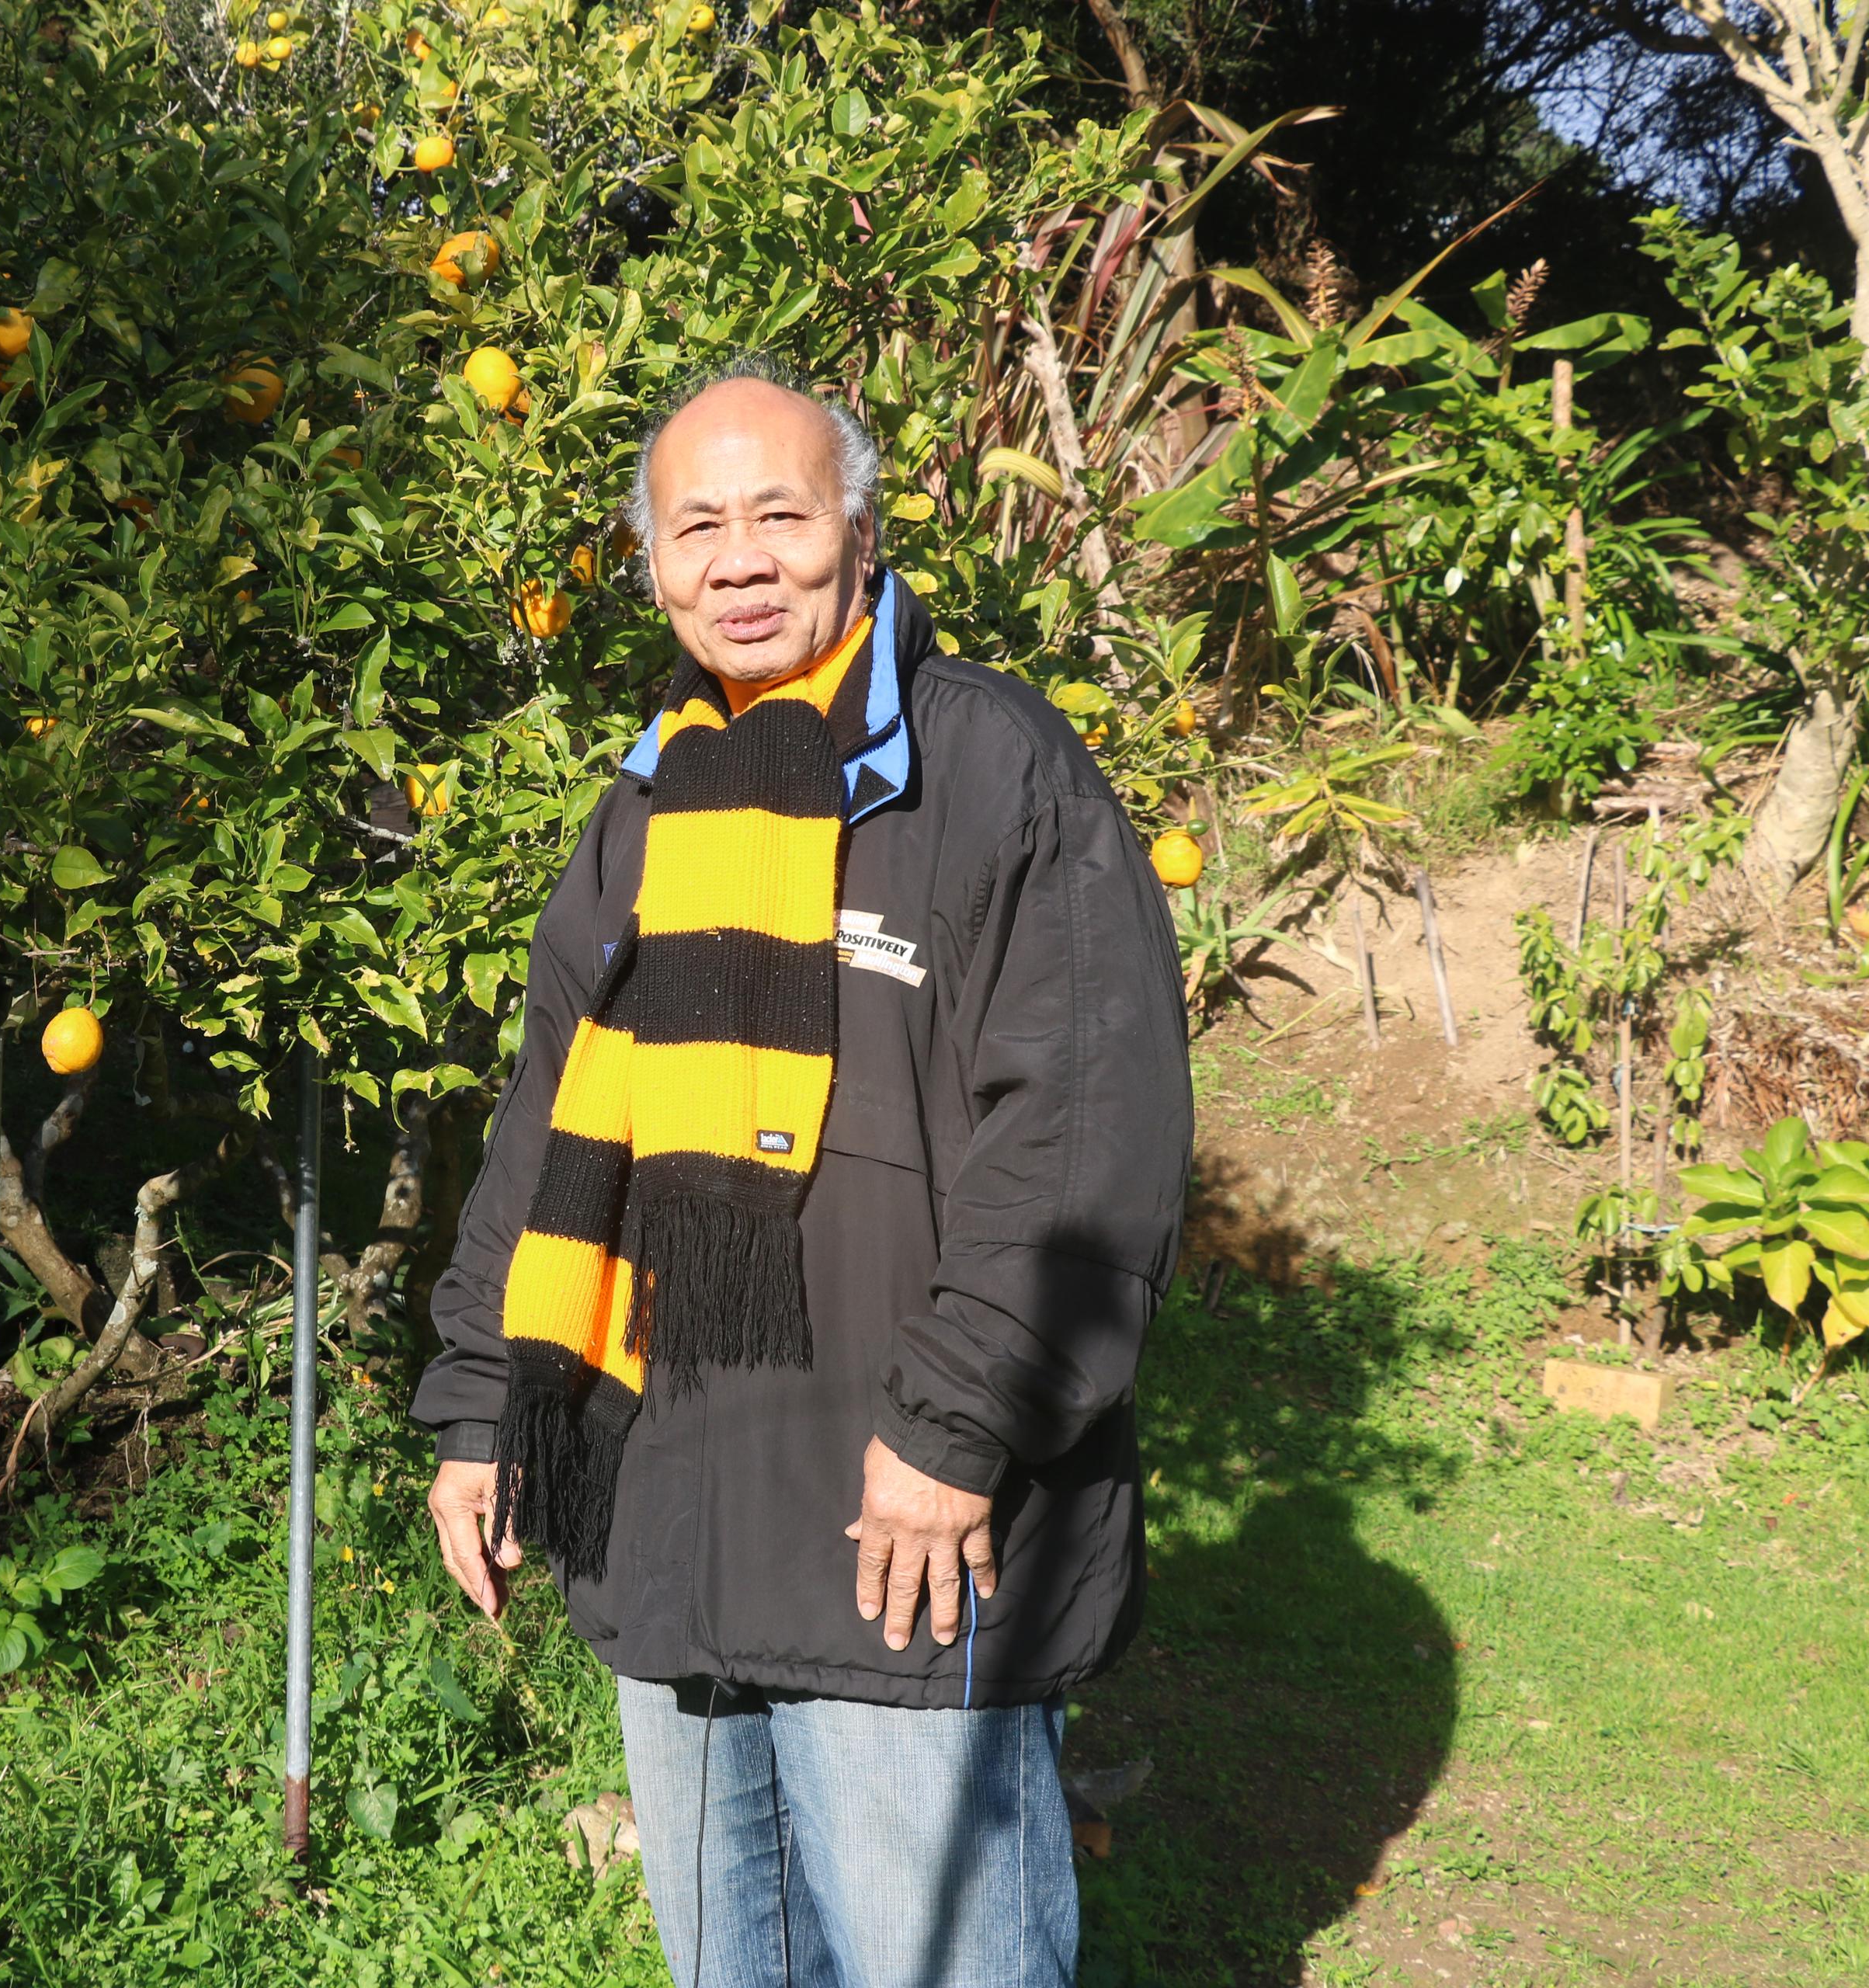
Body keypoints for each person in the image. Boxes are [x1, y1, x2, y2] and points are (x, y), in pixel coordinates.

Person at [412, 355, 1192, 1988]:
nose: (741, 557)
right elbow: (547, 1129)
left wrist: (956, 1426)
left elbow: (1075, 1140)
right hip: (672, 1519)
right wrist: (489, 1408)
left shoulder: (990, 774)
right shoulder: (644, 807)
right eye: (699, 524)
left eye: (781, 510)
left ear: (855, 524)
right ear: (653, 564)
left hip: (894, 1527)